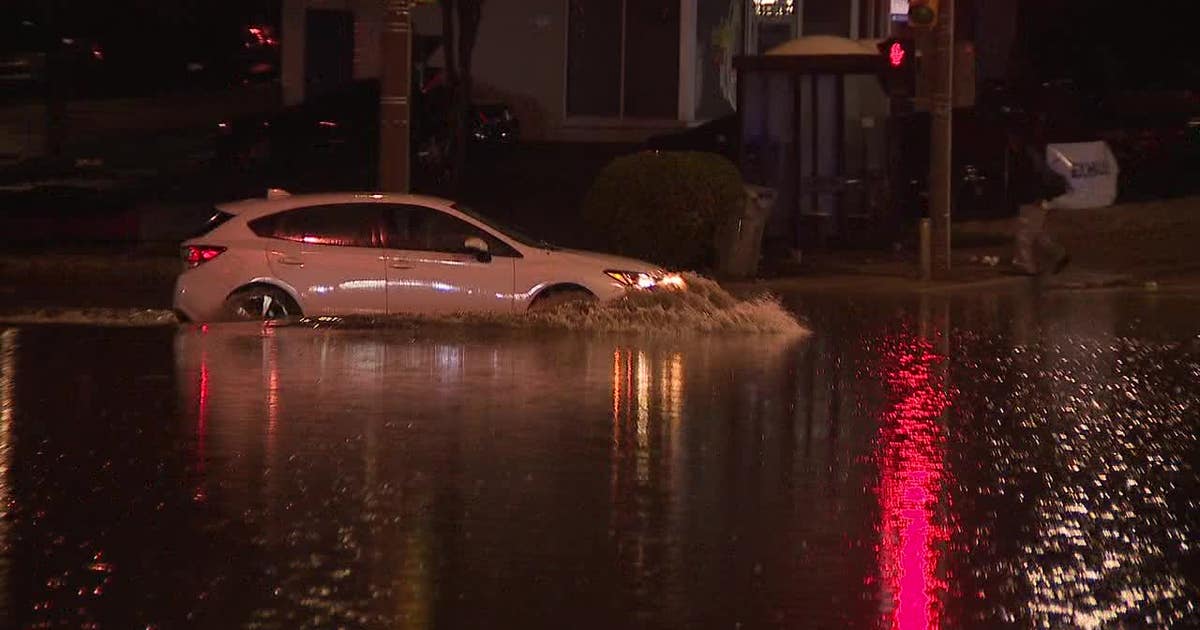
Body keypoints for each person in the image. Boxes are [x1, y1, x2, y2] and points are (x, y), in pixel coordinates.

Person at [1008, 116, 1071, 275]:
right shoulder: (1030, 154)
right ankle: (1059, 255)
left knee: (1024, 234)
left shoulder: (1026, 156)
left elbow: (1033, 178)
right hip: (1033, 199)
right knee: (1037, 232)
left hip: (1032, 199)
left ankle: (1026, 266)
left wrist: (1036, 196)